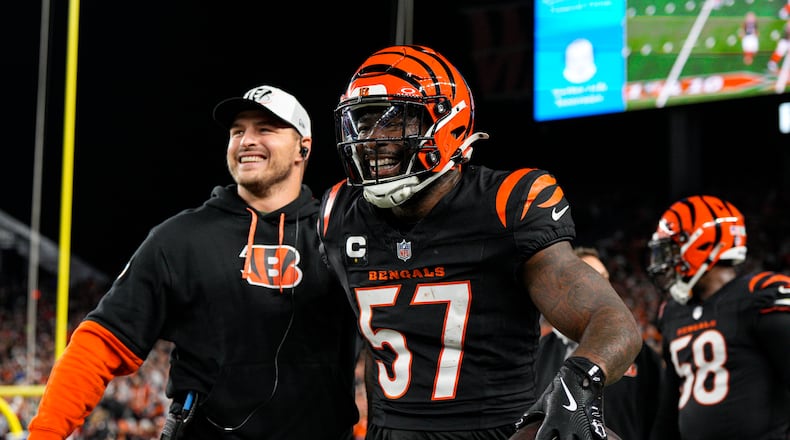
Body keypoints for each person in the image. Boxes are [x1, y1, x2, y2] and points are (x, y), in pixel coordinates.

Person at [317, 44, 642, 440]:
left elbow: (614, 322)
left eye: (392, 121)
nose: (371, 140)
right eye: (363, 124)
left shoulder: (506, 204)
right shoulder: (339, 212)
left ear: (447, 123)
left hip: (499, 431)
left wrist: (577, 383)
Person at [27, 84, 360, 439]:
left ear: (303, 147)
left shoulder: (339, 235)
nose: (247, 140)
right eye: (237, 131)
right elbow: (100, 343)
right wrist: (45, 433)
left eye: (265, 129)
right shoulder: (181, 238)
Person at [646, 195, 790, 439]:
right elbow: (669, 408)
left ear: (701, 244)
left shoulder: (758, 296)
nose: (665, 262)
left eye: (672, 250)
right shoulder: (672, 312)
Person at [535, 246, 663, 440]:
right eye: (592, 277)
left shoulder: (639, 353)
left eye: (605, 278)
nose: (603, 287)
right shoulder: (536, 354)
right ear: (563, 288)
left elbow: (660, 419)